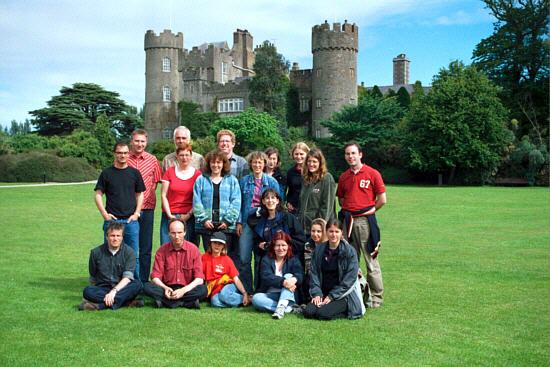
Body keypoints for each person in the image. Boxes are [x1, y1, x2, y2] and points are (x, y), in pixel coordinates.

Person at [336, 142, 386, 308]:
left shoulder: (372, 173)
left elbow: (382, 199)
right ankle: (354, 292)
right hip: (347, 222)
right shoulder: (344, 177)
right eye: (347, 154)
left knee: (370, 259)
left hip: (365, 222)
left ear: (360, 154)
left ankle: (376, 297)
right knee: (350, 259)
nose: (350, 156)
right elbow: (341, 199)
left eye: (353, 153)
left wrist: (369, 211)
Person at [94, 142, 145, 278]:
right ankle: (108, 284)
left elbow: (140, 194)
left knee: (134, 256)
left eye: (125, 153)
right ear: (114, 154)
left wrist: (137, 213)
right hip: (112, 222)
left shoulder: (134, 173)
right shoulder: (106, 173)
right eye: (119, 153)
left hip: (130, 222)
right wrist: (105, 215)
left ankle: (135, 287)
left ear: (129, 154)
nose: (122, 155)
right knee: (109, 255)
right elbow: (98, 194)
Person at [237, 151, 281, 295]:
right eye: (254, 162)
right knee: (244, 258)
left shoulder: (272, 182)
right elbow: (238, 203)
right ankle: (247, 290)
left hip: (264, 222)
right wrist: (238, 222)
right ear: (250, 164)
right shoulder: (243, 181)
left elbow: (278, 202)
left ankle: (259, 289)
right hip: (246, 222)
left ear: (264, 164)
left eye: (260, 162)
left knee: (260, 258)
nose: (257, 165)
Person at [303, 219, 365, 320]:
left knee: (322, 314)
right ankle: (324, 306)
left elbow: (349, 280)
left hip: (342, 295)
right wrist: (317, 293)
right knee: (309, 312)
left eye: (337, 231)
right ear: (326, 232)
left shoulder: (349, 251)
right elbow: (314, 274)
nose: (333, 235)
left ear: (341, 233)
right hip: (323, 292)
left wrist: (332, 296)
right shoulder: (319, 250)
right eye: (331, 231)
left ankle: (347, 309)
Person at [248, 188, 306, 290]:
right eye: (267, 198)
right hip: (269, 261)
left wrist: (273, 245)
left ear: (278, 200)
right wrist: (261, 245)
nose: (270, 201)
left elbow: (300, 241)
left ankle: (286, 298)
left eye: (273, 198)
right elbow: (257, 242)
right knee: (259, 299)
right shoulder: (261, 221)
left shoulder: (288, 218)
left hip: (288, 259)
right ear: (263, 201)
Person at [143, 220, 207, 309]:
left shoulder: (194, 250)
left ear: (185, 232)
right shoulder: (161, 251)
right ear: (168, 233)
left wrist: (183, 291)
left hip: (186, 288)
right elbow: (155, 277)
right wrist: (165, 288)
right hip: (167, 288)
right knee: (147, 287)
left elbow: (199, 279)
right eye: (173, 233)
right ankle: (187, 303)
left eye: (179, 233)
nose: (177, 236)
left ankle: (167, 302)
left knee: (203, 290)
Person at [79, 222, 143, 311]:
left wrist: (114, 292)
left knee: (138, 285)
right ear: (107, 237)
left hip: (121, 288)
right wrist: (94, 293)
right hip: (103, 288)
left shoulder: (130, 252)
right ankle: (125, 301)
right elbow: (93, 277)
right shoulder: (95, 253)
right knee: (87, 291)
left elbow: (127, 278)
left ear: (122, 237)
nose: (115, 239)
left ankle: (100, 306)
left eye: (118, 236)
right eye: (112, 236)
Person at [127, 129, 162, 283]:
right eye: (137, 141)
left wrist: (143, 201)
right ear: (131, 142)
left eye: (142, 141)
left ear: (146, 142)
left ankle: (143, 281)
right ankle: (129, 278)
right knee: (128, 246)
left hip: (147, 208)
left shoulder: (152, 160)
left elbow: (154, 183)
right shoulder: (124, 158)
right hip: (127, 209)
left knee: (145, 247)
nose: (139, 144)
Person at [193, 149, 241, 256]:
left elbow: (236, 201)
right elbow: (197, 201)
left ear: (223, 164)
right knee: (209, 256)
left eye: (219, 162)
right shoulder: (201, 180)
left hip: (225, 226)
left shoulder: (232, 180)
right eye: (213, 162)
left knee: (224, 258)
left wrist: (227, 220)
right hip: (207, 226)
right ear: (209, 164)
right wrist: (204, 219)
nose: (215, 165)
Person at [252, 232, 303, 319]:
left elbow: (300, 275)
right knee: (256, 298)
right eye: (277, 245)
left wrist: (293, 279)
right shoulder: (266, 259)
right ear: (273, 247)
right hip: (271, 294)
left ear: (288, 246)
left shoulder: (293, 259)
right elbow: (266, 277)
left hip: (289, 295)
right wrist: (283, 282)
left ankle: (281, 307)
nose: (280, 248)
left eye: (283, 245)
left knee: (289, 275)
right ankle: (288, 309)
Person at [160, 143, 202, 246]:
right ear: (177, 157)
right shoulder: (169, 172)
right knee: (167, 247)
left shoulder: (198, 175)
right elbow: (163, 195)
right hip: (169, 216)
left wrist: (188, 215)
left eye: (187, 155)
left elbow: (199, 198)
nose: (184, 158)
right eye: (181, 155)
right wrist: (170, 215)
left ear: (191, 157)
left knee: (189, 249)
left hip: (189, 217)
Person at [201, 232, 251, 308]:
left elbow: (236, 279)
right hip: (214, 288)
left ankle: (247, 298)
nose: (217, 246)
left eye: (220, 244)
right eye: (215, 243)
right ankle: (240, 301)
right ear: (210, 243)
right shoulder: (204, 258)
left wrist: (244, 292)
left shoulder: (227, 259)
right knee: (215, 302)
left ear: (223, 246)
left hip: (227, 284)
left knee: (224, 294)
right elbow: (200, 276)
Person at [298, 147, 336, 233]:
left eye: (314, 161)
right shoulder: (306, 179)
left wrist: (319, 226)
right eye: (309, 161)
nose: (311, 164)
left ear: (320, 163)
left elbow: (327, 206)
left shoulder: (327, 178)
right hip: (304, 227)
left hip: (319, 229)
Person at [302, 218, 327, 303]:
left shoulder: (330, 244)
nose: (315, 234)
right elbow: (309, 267)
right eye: (313, 231)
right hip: (314, 276)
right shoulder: (308, 245)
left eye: (319, 231)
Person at [286, 142, 309, 214]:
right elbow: (290, 191)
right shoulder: (290, 172)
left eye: (301, 154)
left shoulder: (312, 170)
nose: (299, 156)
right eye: (296, 154)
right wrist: (288, 202)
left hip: (309, 209)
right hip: (294, 209)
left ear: (307, 154)